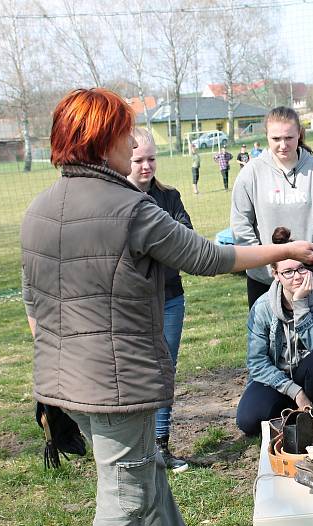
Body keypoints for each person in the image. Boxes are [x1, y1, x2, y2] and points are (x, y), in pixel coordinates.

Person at [21, 88, 313, 526]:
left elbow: (33, 307)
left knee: (148, 482)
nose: (132, 144)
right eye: (125, 135)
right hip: (115, 389)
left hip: (62, 385)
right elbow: (209, 258)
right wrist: (287, 250)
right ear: (103, 142)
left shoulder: (37, 209)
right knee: (125, 499)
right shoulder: (130, 208)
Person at [127, 127, 192, 474]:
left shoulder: (170, 197)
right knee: (136, 372)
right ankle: (138, 447)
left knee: (165, 368)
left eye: (151, 159)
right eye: (138, 160)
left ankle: (162, 445)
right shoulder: (117, 200)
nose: (145, 166)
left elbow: (186, 242)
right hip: (132, 303)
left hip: (169, 298)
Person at [231, 106, 313, 309]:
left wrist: (312, 257)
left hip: (307, 277)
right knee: (266, 339)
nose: (283, 145)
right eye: (276, 139)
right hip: (263, 279)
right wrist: (267, 265)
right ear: (266, 137)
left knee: (310, 337)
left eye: (289, 138)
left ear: (299, 134)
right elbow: (241, 224)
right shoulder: (251, 173)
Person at [235, 227, 313, 437]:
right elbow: (256, 363)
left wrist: (301, 305)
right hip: (276, 379)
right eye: (288, 272)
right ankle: (294, 406)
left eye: (302, 269)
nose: (297, 277)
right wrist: (296, 392)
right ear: (275, 275)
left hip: (310, 372)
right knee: (248, 422)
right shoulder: (263, 307)